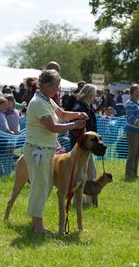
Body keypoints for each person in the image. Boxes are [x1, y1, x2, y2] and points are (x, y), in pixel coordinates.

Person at [24, 69, 87, 235]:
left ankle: (35, 222)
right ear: (46, 85)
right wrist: (74, 125)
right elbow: (52, 127)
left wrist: (78, 114)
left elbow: (63, 114)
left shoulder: (47, 100)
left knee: (45, 186)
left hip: (46, 150)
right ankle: (37, 226)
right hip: (38, 150)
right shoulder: (38, 102)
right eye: (57, 86)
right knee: (40, 186)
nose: (58, 89)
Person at [70, 84, 98, 204]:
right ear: (90, 95)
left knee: (89, 173)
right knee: (87, 173)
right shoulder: (79, 108)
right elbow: (78, 130)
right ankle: (85, 201)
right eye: (94, 94)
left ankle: (86, 200)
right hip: (82, 147)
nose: (95, 97)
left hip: (87, 146)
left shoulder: (86, 107)